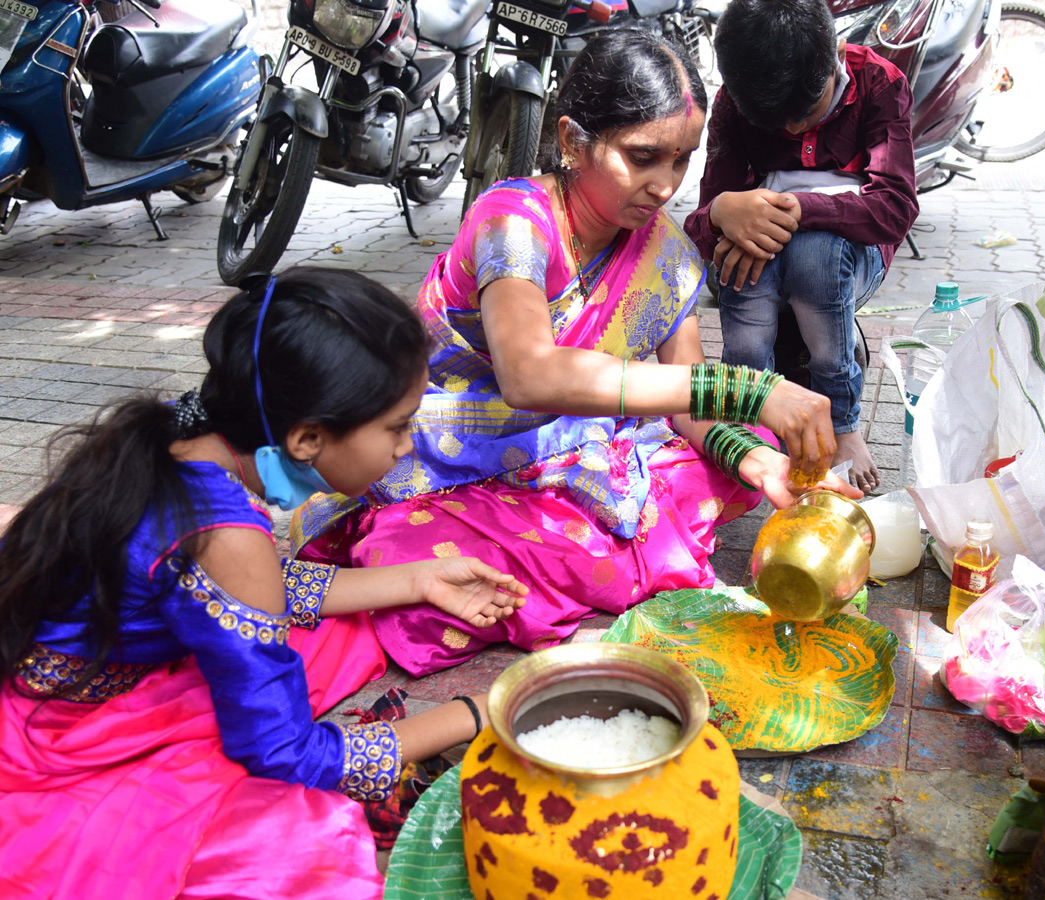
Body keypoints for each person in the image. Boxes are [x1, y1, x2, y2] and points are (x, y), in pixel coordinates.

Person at [294, 30, 860, 677]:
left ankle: (578, 555)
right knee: (419, 574)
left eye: (681, 161)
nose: (664, 185)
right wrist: (750, 388)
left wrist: (754, 459)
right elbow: (529, 375)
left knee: (747, 444)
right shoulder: (514, 221)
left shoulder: (666, 252)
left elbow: (685, 397)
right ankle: (580, 559)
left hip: (579, 447)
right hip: (452, 460)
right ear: (571, 141)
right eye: (643, 157)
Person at [0, 268, 528, 900]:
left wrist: (418, 579)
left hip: (68, 657)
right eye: (397, 427)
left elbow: (238, 587)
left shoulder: (185, 433)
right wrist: (477, 713)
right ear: (307, 438)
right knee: (299, 843)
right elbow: (290, 756)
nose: (407, 448)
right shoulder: (225, 535)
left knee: (343, 639)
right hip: (66, 733)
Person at [683, 0, 920, 493]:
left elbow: (896, 208)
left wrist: (803, 209)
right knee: (739, 254)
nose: (791, 130)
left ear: (834, 58)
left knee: (814, 251)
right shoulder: (735, 102)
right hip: (763, 252)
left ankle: (843, 420)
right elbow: (700, 225)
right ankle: (752, 423)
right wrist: (723, 212)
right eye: (775, 123)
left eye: (805, 113)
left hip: (850, 254)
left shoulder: (879, 84)